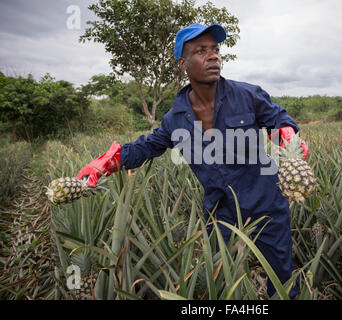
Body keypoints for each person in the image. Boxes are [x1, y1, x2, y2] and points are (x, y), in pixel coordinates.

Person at [77, 23, 308, 299]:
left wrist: (286, 134)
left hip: (266, 205)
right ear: (183, 63)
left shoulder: (248, 95)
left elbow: (278, 119)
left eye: (215, 49)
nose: (213, 56)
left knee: (282, 283)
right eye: (201, 51)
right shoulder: (175, 119)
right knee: (218, 283)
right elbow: (147, 147)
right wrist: (106, 160)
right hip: (220, 212)